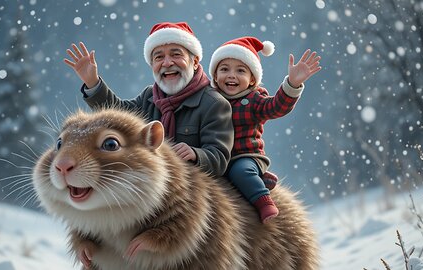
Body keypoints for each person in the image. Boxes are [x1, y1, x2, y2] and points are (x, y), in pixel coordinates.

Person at [63, 22, 234, 177]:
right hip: (151, 188)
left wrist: (197, 155)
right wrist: (92, 82)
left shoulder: (214, 104)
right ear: (152, 65)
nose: (167, 63)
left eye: (176, 54)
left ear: (195, 61)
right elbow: (117, 115)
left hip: (190, 195)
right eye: (159, 57)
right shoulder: (149, 97)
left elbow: (219, 159)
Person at [208, 36, 321, 223]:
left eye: (240, 70)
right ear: (215, 77)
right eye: (224, 69)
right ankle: (258, 181)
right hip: (219, 157)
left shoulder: (254, 100)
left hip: (247, 156)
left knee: (240, 172)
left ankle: (264, 202)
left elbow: (277, 107)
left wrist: (292, 84)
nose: (231, 75)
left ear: (252, 80)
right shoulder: (210, 100)